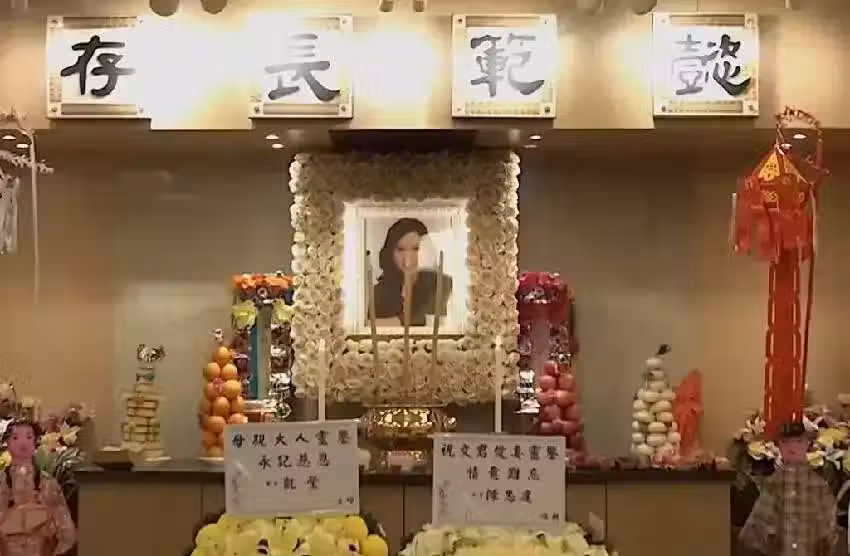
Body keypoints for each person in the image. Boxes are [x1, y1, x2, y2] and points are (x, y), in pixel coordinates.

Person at [739, 420, 837, 556]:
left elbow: (830, 535)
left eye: (798, 442)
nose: (792, 448)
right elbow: (754, 534)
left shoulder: (820, 486)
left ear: (807, 444)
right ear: (778, 446)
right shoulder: (772, 485)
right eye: (785, 442)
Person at [0, 419, 76, 556]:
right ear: (7, 443)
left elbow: (67, 532)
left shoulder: (47, 483)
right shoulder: (2, 482)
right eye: (16, 438)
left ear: (35, 443)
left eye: (29, 437)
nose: (23, 442)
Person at [371, 218, 452, 327]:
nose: (408, 258)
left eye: (416, 248)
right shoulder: (378, 293)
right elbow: (369, 325)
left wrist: (397, 322)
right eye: (400, 249)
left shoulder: (442, 285)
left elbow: (435, 321)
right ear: (390, 252)